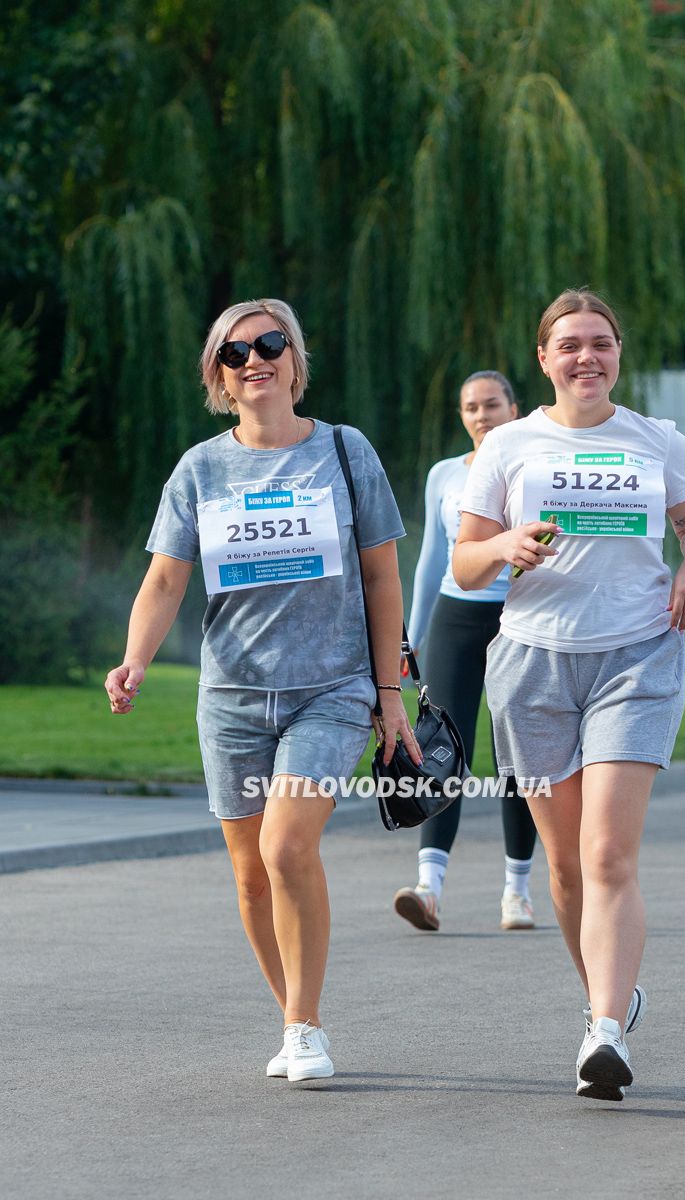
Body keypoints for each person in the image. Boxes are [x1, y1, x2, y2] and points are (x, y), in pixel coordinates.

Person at [105, 298, 419, 1083]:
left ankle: (305, 1028)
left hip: (332, 690)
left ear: (294, 359)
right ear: (219, 372)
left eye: (271, 344)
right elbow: (166, 579)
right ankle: (294, 1019)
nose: (257, 360)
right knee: (249, 872)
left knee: (286, 846)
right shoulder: (201, 470)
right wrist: (135, 660)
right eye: (237, 352)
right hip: (234, 697)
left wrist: (388, 693)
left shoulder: (345, 452)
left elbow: (383, 578)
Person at [453, 288, 685, 1101]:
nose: (586, 357)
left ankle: (605, 1031)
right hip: (533, 663)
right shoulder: (508, 444)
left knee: (608, 855)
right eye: (569, 345)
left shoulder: (658, 441)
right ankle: (607, 994)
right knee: (566, 868)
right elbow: (464, 566)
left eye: (600, 343)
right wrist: (503, 542)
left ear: (617, 353)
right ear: (544, 358)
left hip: (635, 657)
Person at [392, 371, 538, 934]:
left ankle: (517, 892)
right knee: (441, 745)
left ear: (514, 409)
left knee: (517, 756)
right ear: (463, 416)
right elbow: (433, 558)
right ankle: (428, 889)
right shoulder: (444, 475)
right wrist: (412, 639)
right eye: (472, 407)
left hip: (519, 617)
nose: (482, 415)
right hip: (455, 617)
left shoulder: (535, 467)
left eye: (492, 405)